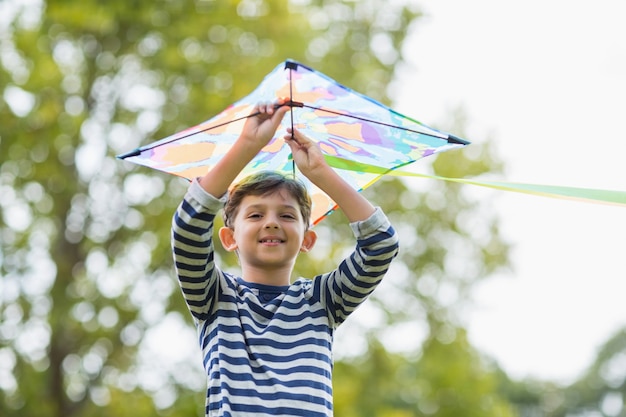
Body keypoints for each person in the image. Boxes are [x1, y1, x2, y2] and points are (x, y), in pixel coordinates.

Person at [171, 98, 399, 416]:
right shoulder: (214, 298)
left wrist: (320, 172)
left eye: (287, 215)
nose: (272, 222)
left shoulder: (322, 301)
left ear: (307, 239)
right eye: (255, 215)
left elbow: (381, 246)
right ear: (229, 238)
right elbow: (187, 228)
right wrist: (248, 145)